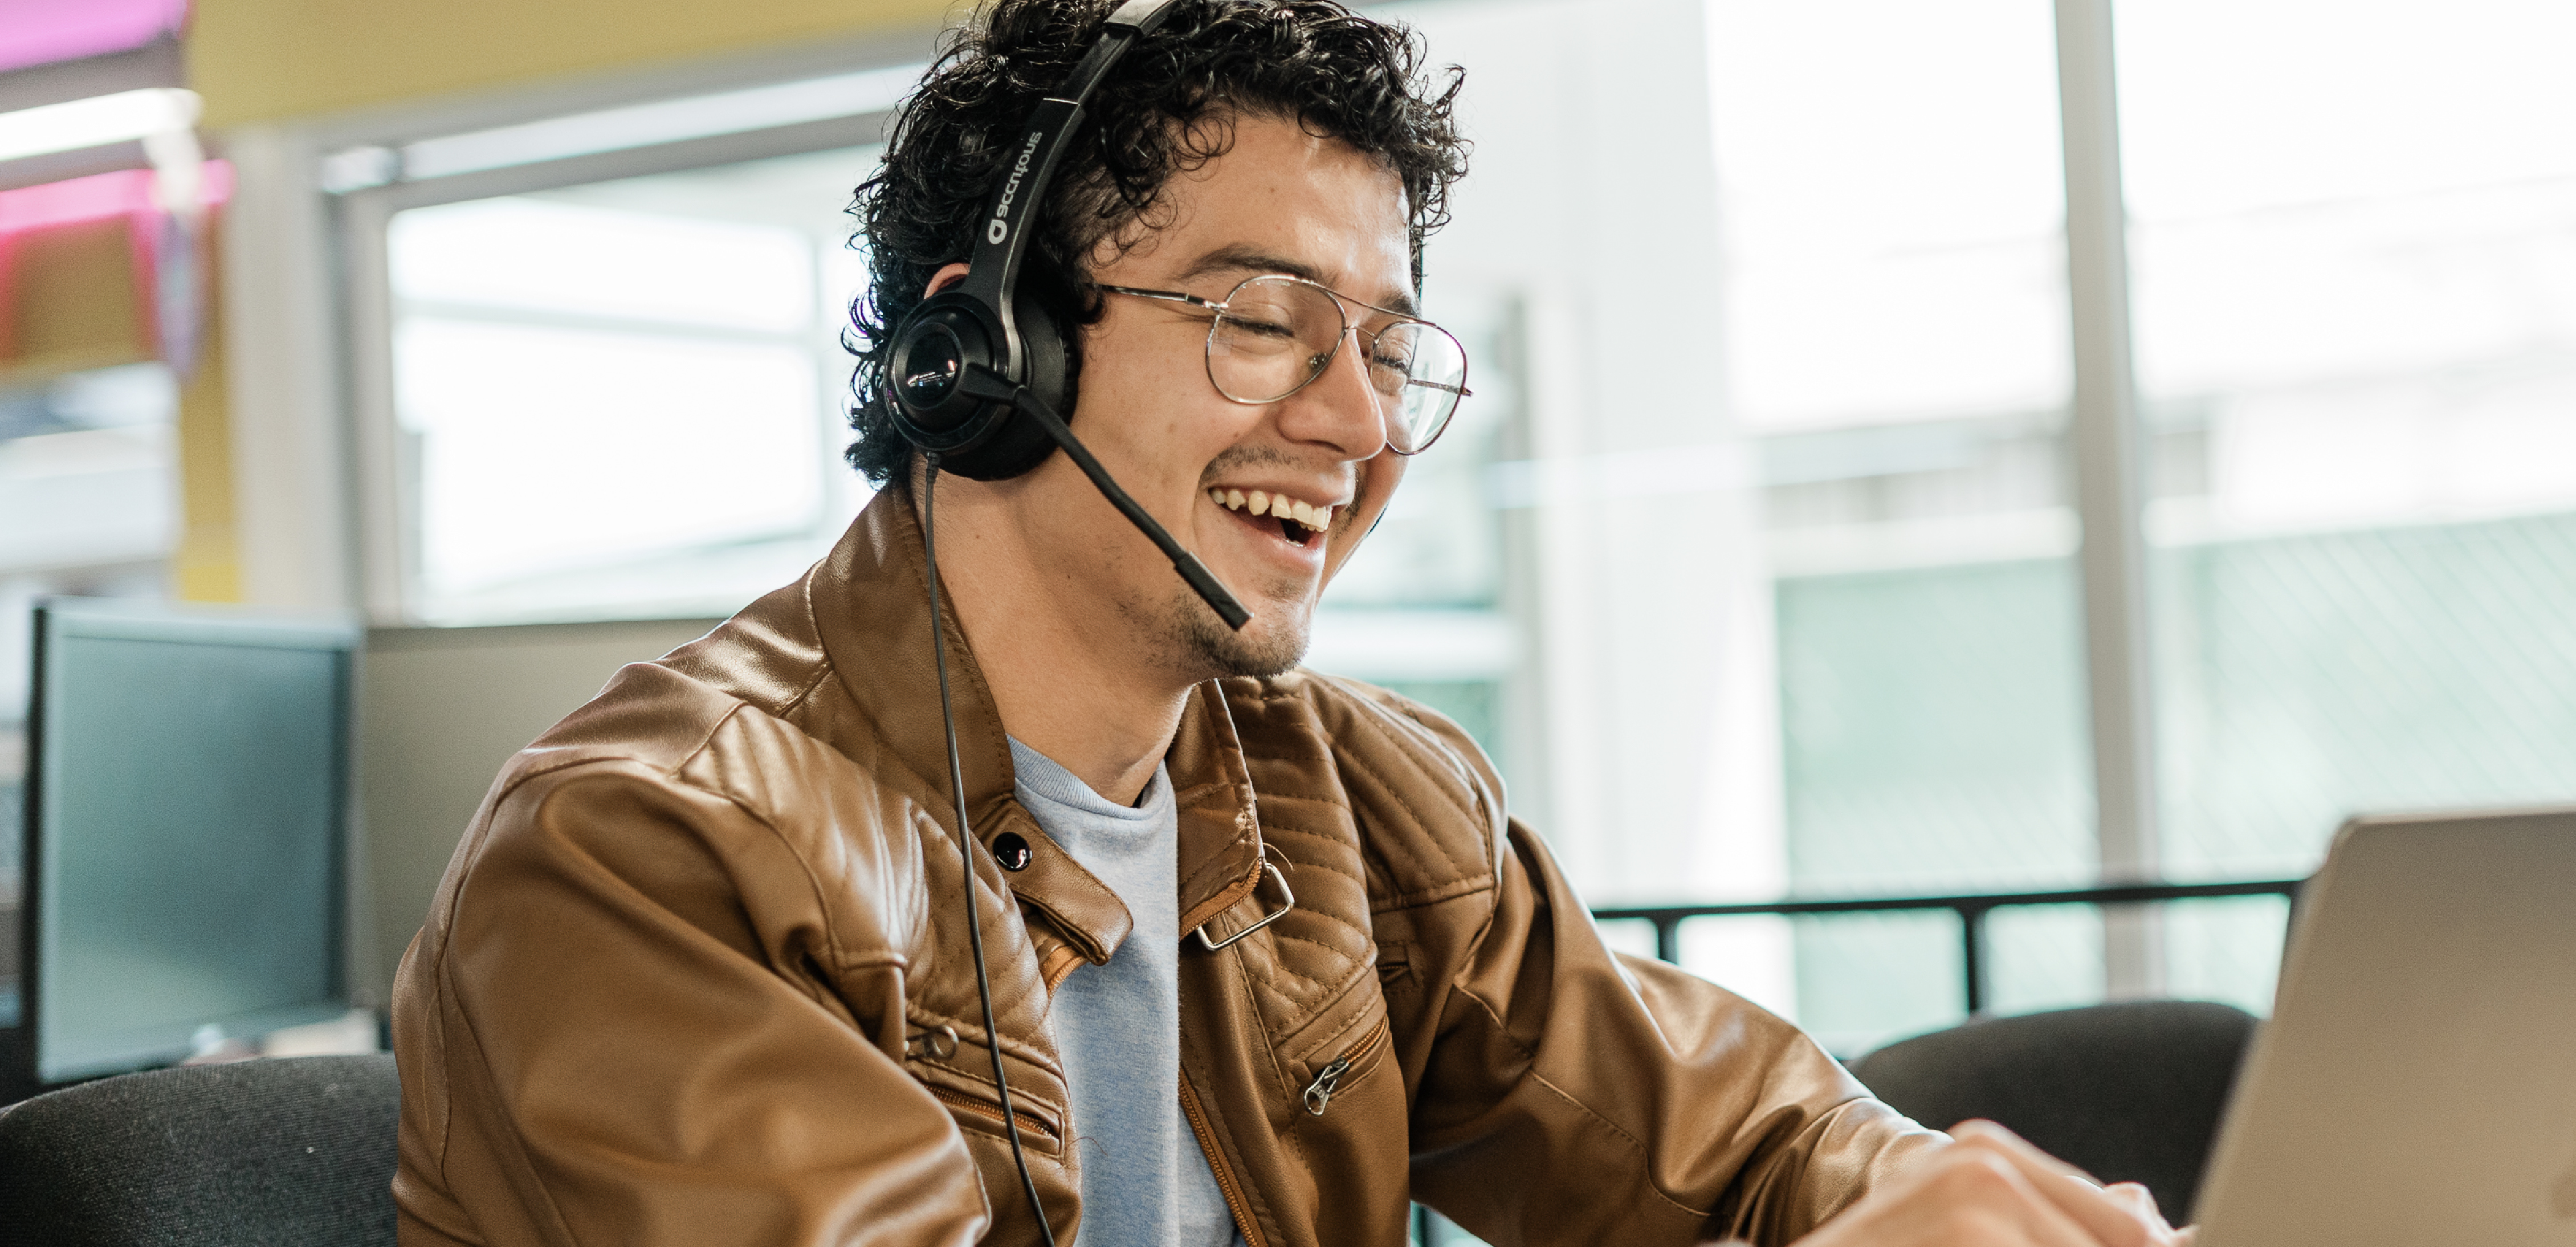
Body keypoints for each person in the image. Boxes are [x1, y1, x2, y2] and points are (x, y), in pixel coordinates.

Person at [388, 2, 2188, 1244]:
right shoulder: (643, 854)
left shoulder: (1359, 801)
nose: (1357, 422)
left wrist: (1937, 1208)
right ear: (986, 353)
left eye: (1388, 348)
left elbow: (1742, 1142)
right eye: (1264, 321)